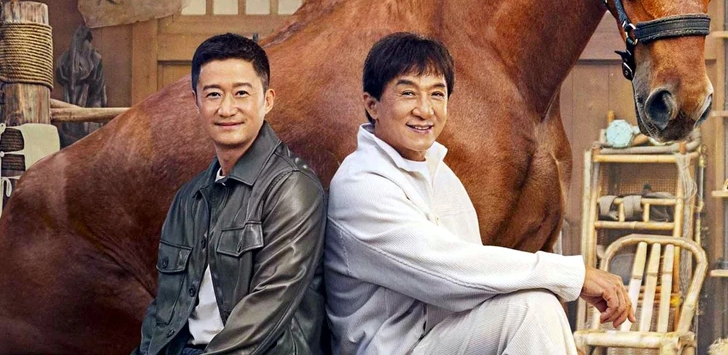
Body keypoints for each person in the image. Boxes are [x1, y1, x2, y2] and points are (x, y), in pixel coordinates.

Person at [324, 32, 635, 355]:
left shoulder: (438, 172)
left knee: (536, 305)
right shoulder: (361, 185)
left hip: (441, 339)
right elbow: (447, 272)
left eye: (437, 94)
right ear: (372, 105)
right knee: (533, 309)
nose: (425, 110)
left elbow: (476, 275)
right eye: (408, 93)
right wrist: (572, 276)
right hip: (394, 350)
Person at [133, 33, 326, 355]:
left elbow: (265, 312)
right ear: (196, 102)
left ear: (267, 100)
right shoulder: (189, 198)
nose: (226, 108)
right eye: (213, 94)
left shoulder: (292, 187)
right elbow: (164, 311)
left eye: (241, 93)